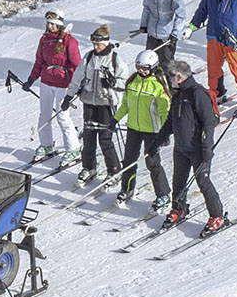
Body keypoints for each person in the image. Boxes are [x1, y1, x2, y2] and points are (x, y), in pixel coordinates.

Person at [162, 59, 227, 236]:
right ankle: (179, 208)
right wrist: (157, 140)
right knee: (179, 180)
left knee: (203, 181)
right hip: (181, 146)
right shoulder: (178, 94)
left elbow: (208, 123)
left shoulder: (197, 93)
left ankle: (217, 216)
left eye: (171, 77)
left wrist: (207, 147)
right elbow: (170, 121)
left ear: (179, 77)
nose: (170, 80)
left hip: (198, 148)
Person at [113, 49, 172, 212]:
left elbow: (164, 112)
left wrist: (164, 133)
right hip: (134, 127)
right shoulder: (133, 82)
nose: (141, 71)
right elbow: (126, 104)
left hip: (152, 130)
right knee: (129, 159)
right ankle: (127, 188)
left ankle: (163, 194)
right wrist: (115, 119)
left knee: (152, 162)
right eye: (139, 67)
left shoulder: (158, 86)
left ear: (153, 67)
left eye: (145, 68)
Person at [63, 25, 122, 186]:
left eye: (99, 45)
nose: (96, 47)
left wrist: (113, 82)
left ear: (106, 42)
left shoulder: (114, 59)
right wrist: (69, 96)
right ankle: (89, 167)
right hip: (89, 101)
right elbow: (77, 77)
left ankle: (114, 170)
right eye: (94, 44)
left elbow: (124, 81)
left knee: (105, 139)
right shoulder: (89, 58)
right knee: (88, 137)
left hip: (106, 104)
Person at [26, 9, 81, 163]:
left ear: (60, 25)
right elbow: (39, 61)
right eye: (48, 23)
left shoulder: (70, 41)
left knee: (62, 116)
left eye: (54, 24)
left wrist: (79, 85)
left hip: (64, 85)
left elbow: (78, 65)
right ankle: (46, 145)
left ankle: (74, 149)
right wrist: (31, 79)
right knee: (44, 115)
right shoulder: (44, 40)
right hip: (46, 82)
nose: (50, 26)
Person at [137, 0, 187, 72]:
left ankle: (168, 86)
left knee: (166, 65)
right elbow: (147, 8)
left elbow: (181, 15)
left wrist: (175, 34)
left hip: (167, 36)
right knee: (149, 62)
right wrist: (144, 25)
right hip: (152, 33)